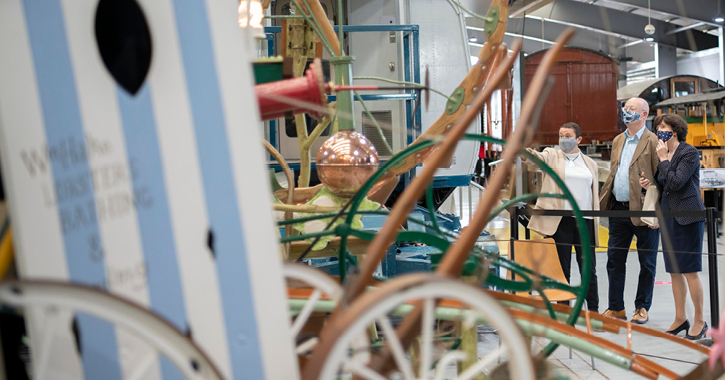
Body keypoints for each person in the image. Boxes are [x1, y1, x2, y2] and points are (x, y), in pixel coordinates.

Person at [639, 114, 708, 340]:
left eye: (664, 128)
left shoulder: (688, 152)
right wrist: (650, 184)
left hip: (687, 217)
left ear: (675, 132)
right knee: (674, 272)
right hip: (669, 217)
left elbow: (677, 182)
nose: (660, 132)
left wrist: (664, 160)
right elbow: (665, 184)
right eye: (658, 128)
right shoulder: (664, 154)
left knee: (689, 271)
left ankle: (700, 320)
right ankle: (680, 318)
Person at [521, 122, 599, 312]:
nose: (563, 139)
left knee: (588, 269)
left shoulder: (590, 164)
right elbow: (534, 158)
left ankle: (594, 311)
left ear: (579, 139)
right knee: (561, 270)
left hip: (585, 220)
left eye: (568, 135)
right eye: (561, 135)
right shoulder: (552, 155)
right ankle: (564, 312)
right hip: (560, 221)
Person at [599, 97, 659, 323]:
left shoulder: (652, 141)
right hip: (618, 209)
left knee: (648, 262)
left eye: (631, 110)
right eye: (625, 109)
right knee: (614, 261)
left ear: (644, 114)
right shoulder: (617, 140)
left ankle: (642, 308)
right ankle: (616, 308)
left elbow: (660, 176)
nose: (626, 113)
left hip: (645, 211)